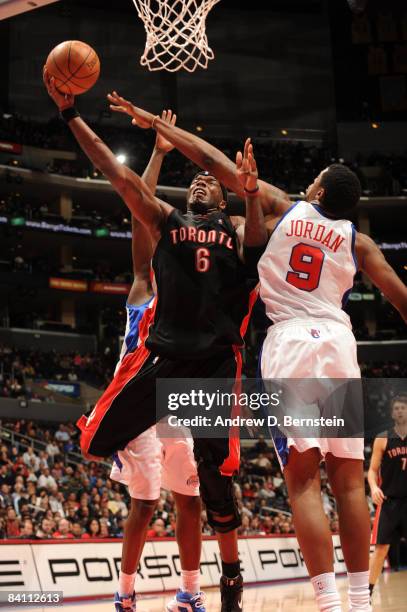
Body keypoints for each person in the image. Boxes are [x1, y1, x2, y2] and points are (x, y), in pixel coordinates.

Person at [43, 73, 267, 612]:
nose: (199, 184)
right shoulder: (164, 230)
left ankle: (211, 588)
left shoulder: (239, 231)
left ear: (223, 192)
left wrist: (250, 191)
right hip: (161, 361)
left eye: (208, 182)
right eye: (193, 181)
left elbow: (255, 232)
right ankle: (130, 590)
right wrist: (71, 115)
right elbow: (117, 178)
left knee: (208, 487)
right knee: (97, 446)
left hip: (211, 367)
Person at [252, 155, 406, 612]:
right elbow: (399, 295)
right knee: (349, 484)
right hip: (339, 343)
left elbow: (215, 162)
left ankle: (329, 605)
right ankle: (359, 603)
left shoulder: (284, 207)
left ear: (318, 193)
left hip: (291, 340)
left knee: (302, 483)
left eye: (314, 180)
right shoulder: (359, 242)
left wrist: (164, 137)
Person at [109, 114, 204, 612]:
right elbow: (136, 210)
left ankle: (189, 592)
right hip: (135, 396)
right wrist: (161, 153)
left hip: (174, 396)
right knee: (144, 504)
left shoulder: (182, 294)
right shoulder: (144, 285)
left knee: (190, 499)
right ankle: (124, 594)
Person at [368, 395, 407, 599]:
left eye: (403, 408)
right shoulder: (383, 438)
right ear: (392, 413)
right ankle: (366, 593)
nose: (400, 411)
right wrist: (374, 487)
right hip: (390, 501)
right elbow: (372, 470)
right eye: (397, 408)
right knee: (381, 549)